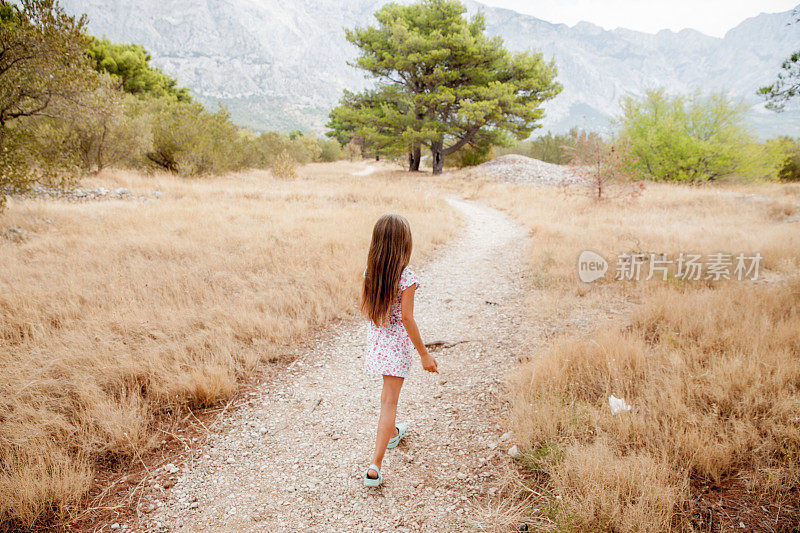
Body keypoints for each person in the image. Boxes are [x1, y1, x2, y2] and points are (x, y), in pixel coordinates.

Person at [360, 214, 438, 487]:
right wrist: (424, 355)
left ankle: (392, 432)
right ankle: (375, 465)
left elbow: (369, 310)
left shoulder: (371, 271)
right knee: (389, 403)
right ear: (404, 244)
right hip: (395, 348)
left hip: (378, 344)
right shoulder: (406, 276)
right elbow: (407, 318)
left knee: (387, 399)